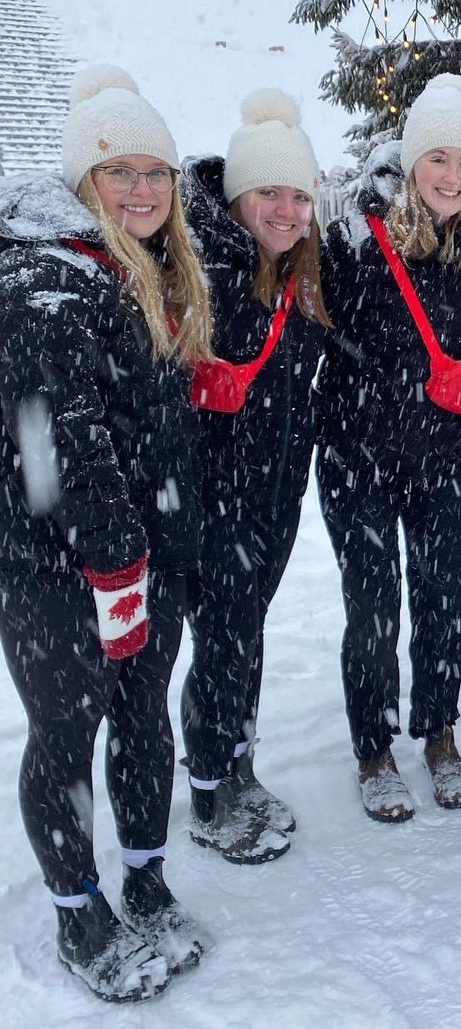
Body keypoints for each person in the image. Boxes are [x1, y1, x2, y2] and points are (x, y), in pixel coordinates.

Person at [0, 65, 214, 1000]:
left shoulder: (157, 272)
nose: (141, 190)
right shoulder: (47, 272)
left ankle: (148, 875)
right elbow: (63, 436)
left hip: (139, 552)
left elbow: (155, 423)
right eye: (119, 171)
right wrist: (114, 556)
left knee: (140, 717)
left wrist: (165, 546)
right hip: (52, 562)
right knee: (66, 729)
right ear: (85, 181)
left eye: (155, 172)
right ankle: (80, 911)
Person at [317, 74, 461, 820]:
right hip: (358, 458)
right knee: (372, 609)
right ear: (412, 159)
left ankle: (440, 732)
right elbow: (310, 326)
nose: (452, 177)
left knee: (440, 601)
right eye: (439, 159)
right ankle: (373, 748)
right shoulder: (355, 240)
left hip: (442, 460)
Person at [180, 90, 329, 863]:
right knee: (223, 636)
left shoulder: (301, 271)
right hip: (212, 492)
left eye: (299, 194)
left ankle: (238, 764)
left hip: (277, 483)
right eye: (269, 191)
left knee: (245, 633)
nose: (285, 208)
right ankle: (208, 789)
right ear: (237, 194)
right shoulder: (196, 266)